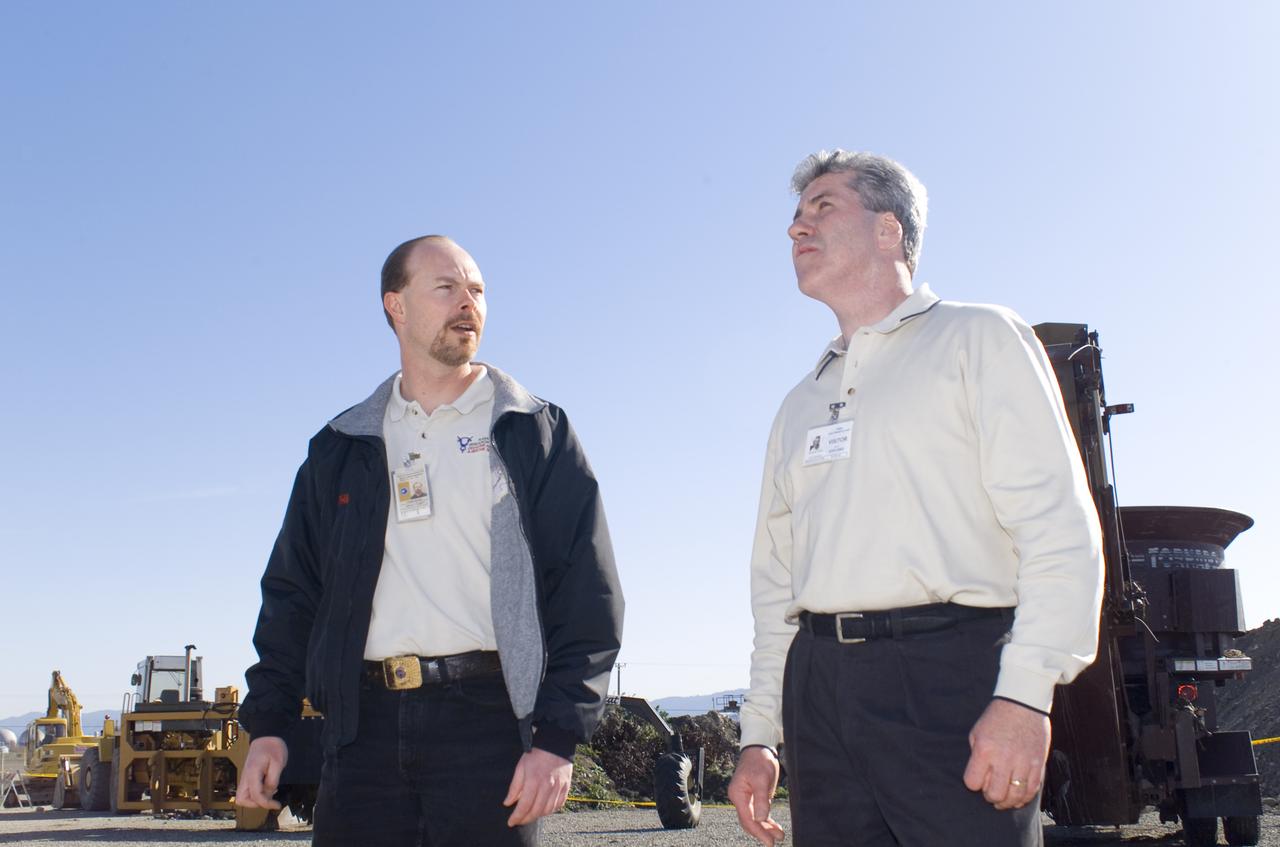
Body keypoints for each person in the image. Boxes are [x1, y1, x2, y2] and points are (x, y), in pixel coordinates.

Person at [728, 151, 1104, 847]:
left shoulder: (978, 337)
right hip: (820, 691)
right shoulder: (800, 402)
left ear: (889, 230)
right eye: (795, 214)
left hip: (947, 677)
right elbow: (774, 584)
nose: (796, 228)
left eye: (823, 207)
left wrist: (1024, 694)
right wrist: (762, 735)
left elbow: (1056, 526)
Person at [235, 235, 624, 846]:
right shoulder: (342, 446)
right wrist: (270, 724)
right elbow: (293, 593)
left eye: (477, 290)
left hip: (490, 725)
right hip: (360, 733)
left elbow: (586, 589)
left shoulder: (533, 431)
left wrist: (557, 738)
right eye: (446, 287)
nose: (467, 301)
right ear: (396, 306)